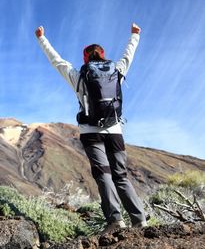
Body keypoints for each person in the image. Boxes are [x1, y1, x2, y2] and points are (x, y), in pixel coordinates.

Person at [35, 23, 147, 234]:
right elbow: (128, 55)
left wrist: (42, 38)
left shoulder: (79, 76)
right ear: (103, 56)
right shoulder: (117, 71)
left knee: (103, 174)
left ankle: (115, 221)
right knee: (120, 175)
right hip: (115, 130)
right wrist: (135, 35)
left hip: (90, 131)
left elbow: (56, 61)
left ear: (86, 59)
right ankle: (139, 220)